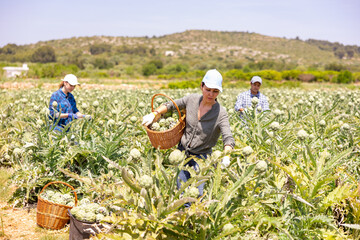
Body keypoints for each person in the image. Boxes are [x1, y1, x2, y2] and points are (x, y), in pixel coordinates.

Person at [142, 69, 235, 200]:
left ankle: (193, 217)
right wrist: (154, 114)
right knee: (180, 190)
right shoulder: (191, 100)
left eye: (215, 91)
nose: (211, 94)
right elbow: (170, 105)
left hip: (201, 158)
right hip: (182, 154)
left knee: (196, 194)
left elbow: (228, 137)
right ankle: (183, 216)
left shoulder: (220, 113)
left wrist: (227, 155)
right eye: (208, 89)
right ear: (202, 86)